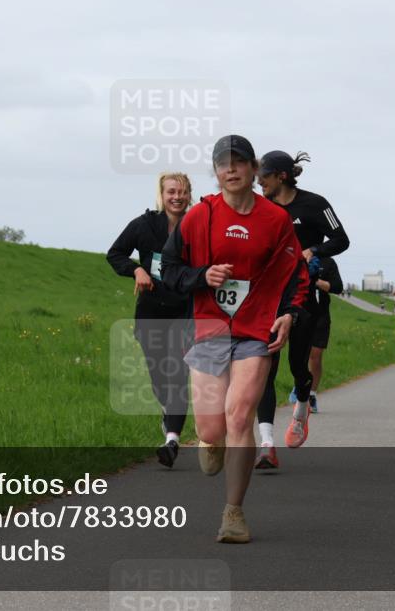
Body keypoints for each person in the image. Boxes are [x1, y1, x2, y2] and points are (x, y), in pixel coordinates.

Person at [161, 135, 307, 543]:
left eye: (239, 162)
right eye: (222, 163)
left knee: (240, 415)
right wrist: (199, 276)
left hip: (255, 331)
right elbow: (168, 267)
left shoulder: (275, 220)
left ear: (253, 168)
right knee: (211, 428)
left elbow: (297, 273)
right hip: (209, 328)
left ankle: (233, 513)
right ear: (215, 170)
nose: (231, 169)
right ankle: (211, 443)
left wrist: (290, 314)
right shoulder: (199, 217)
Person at [252, 150, 350, 468]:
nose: (258, 181)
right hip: (268, 295)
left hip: (304, 293)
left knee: (298, 365)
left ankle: (302, 404)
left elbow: (341, 239)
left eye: (263, 175)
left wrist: (313, 249)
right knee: (265, 365)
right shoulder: (259, 207)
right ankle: (266, 443)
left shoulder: (315, 204)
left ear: (281, 175)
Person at [106, 173, 194, 468]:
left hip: (185, 309)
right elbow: (115, 253)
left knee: (178, 371)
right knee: (159, 376)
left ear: (189, 194)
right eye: (171, 191)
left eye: (182, 192)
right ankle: (168, 413)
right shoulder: (144, 225)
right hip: (151, 310)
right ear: (161, 194)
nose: (177, 197)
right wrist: (136, 270)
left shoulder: (197, 225)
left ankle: (172, 439)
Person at [305, 256, 343, 416]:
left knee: (315, 356)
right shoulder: (295, 254)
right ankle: (300, 385)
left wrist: (316, 282)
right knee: (299, 357)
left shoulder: (327, 261)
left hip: (320, 316)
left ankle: (311, 394)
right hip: (299, 314)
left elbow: (337, 287)